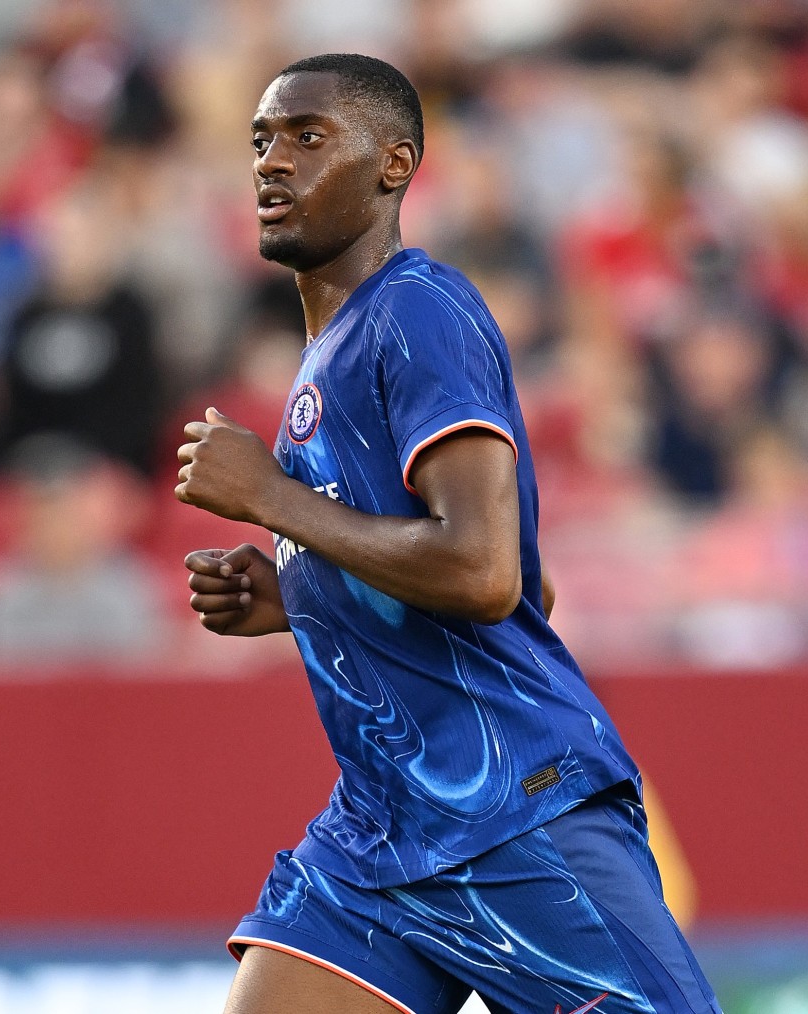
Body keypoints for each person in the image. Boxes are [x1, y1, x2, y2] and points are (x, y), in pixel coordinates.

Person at [174, 54, 722, 1014]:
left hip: (512, 805)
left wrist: (271, 497)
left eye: (308, 137)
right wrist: (303, 601)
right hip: (381, 827)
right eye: (261, 140)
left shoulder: (416, 311)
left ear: (394, 165)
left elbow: (482, 574)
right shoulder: (332, 350)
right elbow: (524, 591)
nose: (271, 162)